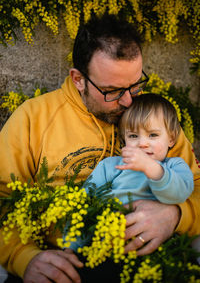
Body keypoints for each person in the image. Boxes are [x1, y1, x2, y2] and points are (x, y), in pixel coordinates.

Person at [0, 12, 199, 283]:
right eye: (113, 91)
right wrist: (24, 257)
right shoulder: (33, 118)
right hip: (65, 262)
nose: (129, 102)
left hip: (147, 263)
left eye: (136, 84)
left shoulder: (152, 117)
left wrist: (176, 215)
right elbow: (2, 199)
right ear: (78, 79)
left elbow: (195, 185)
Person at [65, 93, 194, 252]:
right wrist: (70, 247)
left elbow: (178, 195)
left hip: (160, 246)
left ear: (171, 139)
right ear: (124, 140)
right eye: (133, 136)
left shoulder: (175, 166)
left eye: (153, 135)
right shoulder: (110, 166)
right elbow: (84, 204)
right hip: (108, 245)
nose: (142, 144)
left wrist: (151, 168)